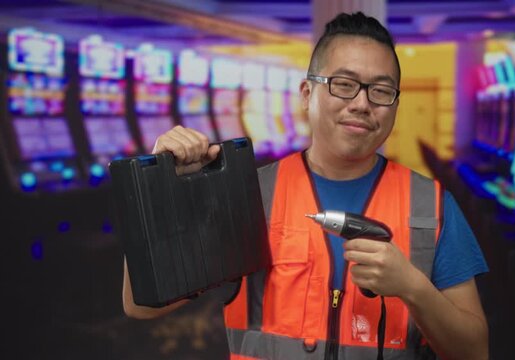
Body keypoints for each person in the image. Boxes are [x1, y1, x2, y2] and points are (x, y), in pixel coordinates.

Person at [122, 12, 489, 360]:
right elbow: (141, 305)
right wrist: (160, 190)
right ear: (306, 94)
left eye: (380, 91)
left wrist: (413, 288)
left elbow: (475, 352)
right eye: (344, 85)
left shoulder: (432, 205)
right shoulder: (249, 196)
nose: (362, 104)